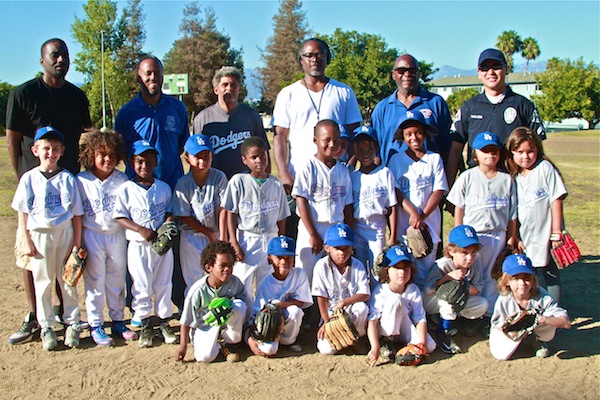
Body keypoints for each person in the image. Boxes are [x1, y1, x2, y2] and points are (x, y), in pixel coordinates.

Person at [6, 38, 90, 345]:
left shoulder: (77, 97)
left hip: (66, 190)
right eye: (55, 55)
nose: (61, 60)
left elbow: (85, 136)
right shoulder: (24, 93)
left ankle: (65, 318)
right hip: (35, 192)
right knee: (32, 259)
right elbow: (13, 140)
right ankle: (35, 317)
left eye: (65, 55)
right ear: (42, 60)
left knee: (65, 261)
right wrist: (24, 180)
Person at [115, 55, 189, 313]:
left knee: (171, 245)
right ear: (139, 77)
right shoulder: (127, 113)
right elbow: (122, 149)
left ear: (162, 75)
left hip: (170, 182)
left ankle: (174, 300)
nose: (152, 78)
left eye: (156, 73)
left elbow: (181, 143)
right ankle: (136, 305)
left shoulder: (176, 108)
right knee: (138, 247)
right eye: (147, 74)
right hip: (138, 189)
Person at [273, 37, 362, 238]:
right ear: (301, 60)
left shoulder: (343, 92)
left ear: (327, 59)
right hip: (300, 178)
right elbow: (280, 136)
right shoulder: (288, 94)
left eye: (320, 55)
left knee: (338, 242)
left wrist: (349, 164)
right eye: (309, 55)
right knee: (302, 243)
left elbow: (355, 134)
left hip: (335, 179)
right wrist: (284, 172)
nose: (315, 59)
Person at [11, 127, 84, 351]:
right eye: (45, 148)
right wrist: (27, 239)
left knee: (67, 281)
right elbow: (22, 213)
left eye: (55, 149)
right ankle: (47, 326)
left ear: (62, 151)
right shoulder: (29, 179)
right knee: (42, 282)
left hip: (63, 234)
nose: (50, 153)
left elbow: (77, 214)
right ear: (35, 150)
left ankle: (72, 323)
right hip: (39, 234)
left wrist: (76, 243)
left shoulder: (68, 179)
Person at [446, 48, 546, 187]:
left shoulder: (523, 105)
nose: (491, 72)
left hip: (514, 182)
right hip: (477, 185)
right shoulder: (469, 107)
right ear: (479, 73)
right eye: (485, 68)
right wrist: (449, 187)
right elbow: (455, 150)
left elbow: (538, 149)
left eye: (496, 67)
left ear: (506, 69)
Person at [113, 140, 177, 348]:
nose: (145, 166)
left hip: (161, 246)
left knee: (163, 283)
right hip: (138, 245)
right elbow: (120, 216)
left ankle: (164, 321)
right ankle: (145, 324)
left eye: (149, 161)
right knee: (141, 285)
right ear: (132, 162)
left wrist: (167, 225)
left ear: (156, 162)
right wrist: (140, 229)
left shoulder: (163, 188)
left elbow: (169, 211)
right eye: (140, 161)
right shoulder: (126, 189)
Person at [446, 131, 517, 318]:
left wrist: (511, 240)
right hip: (473, 236)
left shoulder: (507, 180)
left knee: (493, 276)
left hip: (497, 234)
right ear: (475, 154)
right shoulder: (467, 177)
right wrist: (459, 234)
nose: (490, 155)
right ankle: (470, 313)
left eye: (494, 150)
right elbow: (459, 208)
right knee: (473, 275)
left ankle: (490, 315)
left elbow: (512, 215)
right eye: (484, 151)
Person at [76, 128, 136, 346]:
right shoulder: (81, 180)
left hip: (116, 235)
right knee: (94, 281)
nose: (107, 159)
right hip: (92, 235)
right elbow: (76, 214)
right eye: (102, 154)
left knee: (117, 279)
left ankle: (118, 320)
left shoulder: (122, 180)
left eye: (112, 155)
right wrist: (77, 244)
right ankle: (96, 324)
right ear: (91, 155)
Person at [222, 137, 290, 313]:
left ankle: (262, 320)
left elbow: (282, 216)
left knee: (267, 281)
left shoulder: (275, 183)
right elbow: (231, 212)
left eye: (263, 155)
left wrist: (280, 242)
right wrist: (234, 242)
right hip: (247, 237)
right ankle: (241, 322)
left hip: (270, 238)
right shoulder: (238, 182)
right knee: (242, 279)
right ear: (245, 160)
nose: (259, 160)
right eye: (254, 157)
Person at [387, 112, 448, 288]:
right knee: (406, 267)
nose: (414, 137)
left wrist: (422, 215)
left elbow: (438, 190)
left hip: (429, 223)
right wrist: (413, 212)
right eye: (408, 134)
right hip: (406, 224)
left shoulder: (434, 158)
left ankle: (427, 310)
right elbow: (396, 191)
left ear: (425, 133)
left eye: (418, 132)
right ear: (402, 136)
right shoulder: (397, 160)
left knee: (427, 268)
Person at [506, 127, 567, 302]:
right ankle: (530, 308)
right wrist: (515, 237)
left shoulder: (545, 168)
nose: (525, 156)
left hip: (547, 232)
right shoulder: (514, 176)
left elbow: (556, 198)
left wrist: (556, 232)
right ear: (512, 153)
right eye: (519, 152)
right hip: (526, 235)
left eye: (530, 151)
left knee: (550, 273)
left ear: (537, 150)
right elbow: (513, 213)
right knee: (527, 274)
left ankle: (553, 308)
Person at [292, 120, 354, 284]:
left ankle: (331, 310)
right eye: (326, 140)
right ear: (315, 141)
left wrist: (348, 233)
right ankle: (307, 310)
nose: (332, 144)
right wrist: (313, 234)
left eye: (336, 140)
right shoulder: (307, 167)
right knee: (306, 275)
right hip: (312, 227)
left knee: (334, 276)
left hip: (336, 227)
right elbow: (301, 200)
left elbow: (348, 205)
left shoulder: (342, 169)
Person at [371, 54, 452, 167]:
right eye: (401, 71)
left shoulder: (436, 103)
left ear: (418, 73)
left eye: (412, 70)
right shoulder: (382, 108)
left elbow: (446, 146)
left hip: (428, 178)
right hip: (393, 178)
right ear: (393, 75)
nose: (407, 74)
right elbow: (376, 150)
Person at [172, 134, 228, 295]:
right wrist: (208, 233)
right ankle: (195, 313)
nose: (202, 162)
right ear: (187, 158)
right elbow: (184, 215)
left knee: (219, 274)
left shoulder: (219, 177)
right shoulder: (183, 182)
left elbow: (223, 208)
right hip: (192, 235)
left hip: (216, 232)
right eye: (197, 157)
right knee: (193, 278)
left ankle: (217, 309)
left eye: (206, 156)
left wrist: (222, 235)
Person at [174, 241, 247, 363]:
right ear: (209, 267)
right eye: (222, 265)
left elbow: (245, 304)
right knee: (205, 357)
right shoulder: (198, 290)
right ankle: (219, 347)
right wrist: (183, 346)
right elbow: (186, 320)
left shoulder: (235, 282)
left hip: (226, 322)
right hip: (205, 325)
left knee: (239, 306)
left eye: (230, 265)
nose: (227, 269)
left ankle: (231, 343)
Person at [193, 66, 270, 179]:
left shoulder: (251, 115)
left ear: (239, 89)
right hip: (214, 184)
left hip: (247, 182)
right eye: (225, 85)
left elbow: (264, 151)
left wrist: (265, 180)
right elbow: (195, 156)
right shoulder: (203, 119)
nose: (229, 89)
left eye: (233, 85)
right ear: (216, 89)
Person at [489, 254, 570, 360]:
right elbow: (497, 326)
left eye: (526, 278)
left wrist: (543, 319)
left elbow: (566, 323)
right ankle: (522, 341)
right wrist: (512, 327)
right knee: (500, 355)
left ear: (533, 280)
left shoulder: (542, 296)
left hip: (538, 328)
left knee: (549, 317)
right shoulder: (504, 299)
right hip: (512, 332)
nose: (522, 283)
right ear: (506, 281)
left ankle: (538, 341)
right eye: (515, 278)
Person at [423, 225, 488, 354]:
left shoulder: (475, 265)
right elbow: (428, 290)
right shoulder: (442, 265)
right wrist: (447, 278)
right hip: (431, 302)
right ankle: (443, 333)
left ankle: (457, 323)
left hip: (453, 301)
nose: (470, 258)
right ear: (451, 251)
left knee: (482, 304)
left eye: (473, 253)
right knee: (450, 299)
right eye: (464, 252)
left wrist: (463, 286)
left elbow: (477, 290)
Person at [367, 245, 436, 367]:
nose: (402, 272)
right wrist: (375, 347)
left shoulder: (413, 289)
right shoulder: (380, 291)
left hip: (404, 327)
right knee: (395, 299)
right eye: (396, 268)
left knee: (430, 346)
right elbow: (372, 322)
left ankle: (404, 345)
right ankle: (386, 343)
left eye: (406, 268)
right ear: (386, 270)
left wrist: (422, 345)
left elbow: (420, 319)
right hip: (385, 330)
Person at [247, 236, 313, 356]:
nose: (284, 262)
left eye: (288, 258)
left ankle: (288, 341)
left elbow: (301, 302)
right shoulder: (265, 283)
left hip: (289, 320)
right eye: (279, 258)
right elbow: (257, 314)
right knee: (269, 350)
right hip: (271, 326)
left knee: (295, 311)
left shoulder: (299, 274)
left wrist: (280, 305)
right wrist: (251, 336)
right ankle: (274, 340)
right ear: (269, 259)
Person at [312, 224, 370, 355]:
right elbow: (320, 297)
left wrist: (345, 302)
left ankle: (358, 338)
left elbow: (365, 293)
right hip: (331, 314)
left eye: (346, 248)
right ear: (327, 248)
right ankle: (345, 340)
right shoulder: (321, 266)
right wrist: (326, 322)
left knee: (362, 308)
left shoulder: (357, 265)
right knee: (326, 350)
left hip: (350, 309)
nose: (342, 253)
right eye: (337, 248)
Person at [350, 125, 398, 280]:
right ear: (354, 151)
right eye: (360, 149)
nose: (365, 153)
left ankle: (377, 302)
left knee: (377, 270)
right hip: (358, 228)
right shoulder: (352, 176)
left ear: (376, 148)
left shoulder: (384, 173)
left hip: (377, 229)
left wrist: (392, 237)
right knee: (359, 271)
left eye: (369, 148)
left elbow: (392, 207)